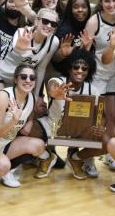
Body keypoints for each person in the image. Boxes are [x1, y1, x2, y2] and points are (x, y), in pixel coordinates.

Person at [30, 49, 106, 179]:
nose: (80, 71)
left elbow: (100, 114)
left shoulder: (92, 90)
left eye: (84, 68)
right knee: (26, 130)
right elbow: (52, 86)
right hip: (53, 125)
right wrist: (55, 93)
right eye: (76, 67)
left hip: (78, 129)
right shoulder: (58, 81)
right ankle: (47, 156)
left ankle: (75, 158)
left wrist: (101, 126)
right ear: (69, 68)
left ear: (89, 71)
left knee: (108, 141)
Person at [84, 0, 115, 171]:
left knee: (113, 116)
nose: (111, 4)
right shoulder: (94, 21)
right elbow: (84, 51)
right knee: (96, 118)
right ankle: (87, 157)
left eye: (114, 0)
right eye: (107, 0)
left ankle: (109, 153)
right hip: (97, 74)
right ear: (101, 2)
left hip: (114, 73)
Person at [0, 65, 48, 187]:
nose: (28, 80)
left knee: (39, 146)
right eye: (24, 77)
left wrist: (30, 121)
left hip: (7, 143)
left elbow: (30, 111)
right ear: (16, 79)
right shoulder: (3, 97)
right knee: (2, 165)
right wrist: (13, 121)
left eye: (32, 78)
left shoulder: (31, 97)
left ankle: (6, 171)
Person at [0, 7, 59, 96]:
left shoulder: (53, 42)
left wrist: (36, 95)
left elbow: (41, 69)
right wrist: (18, 50)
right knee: (1, 98)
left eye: (53, 24)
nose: (49, 26)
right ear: (36, 21)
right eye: (45, 21)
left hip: (17, 81)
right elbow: (15, 55)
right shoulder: (22, 32)